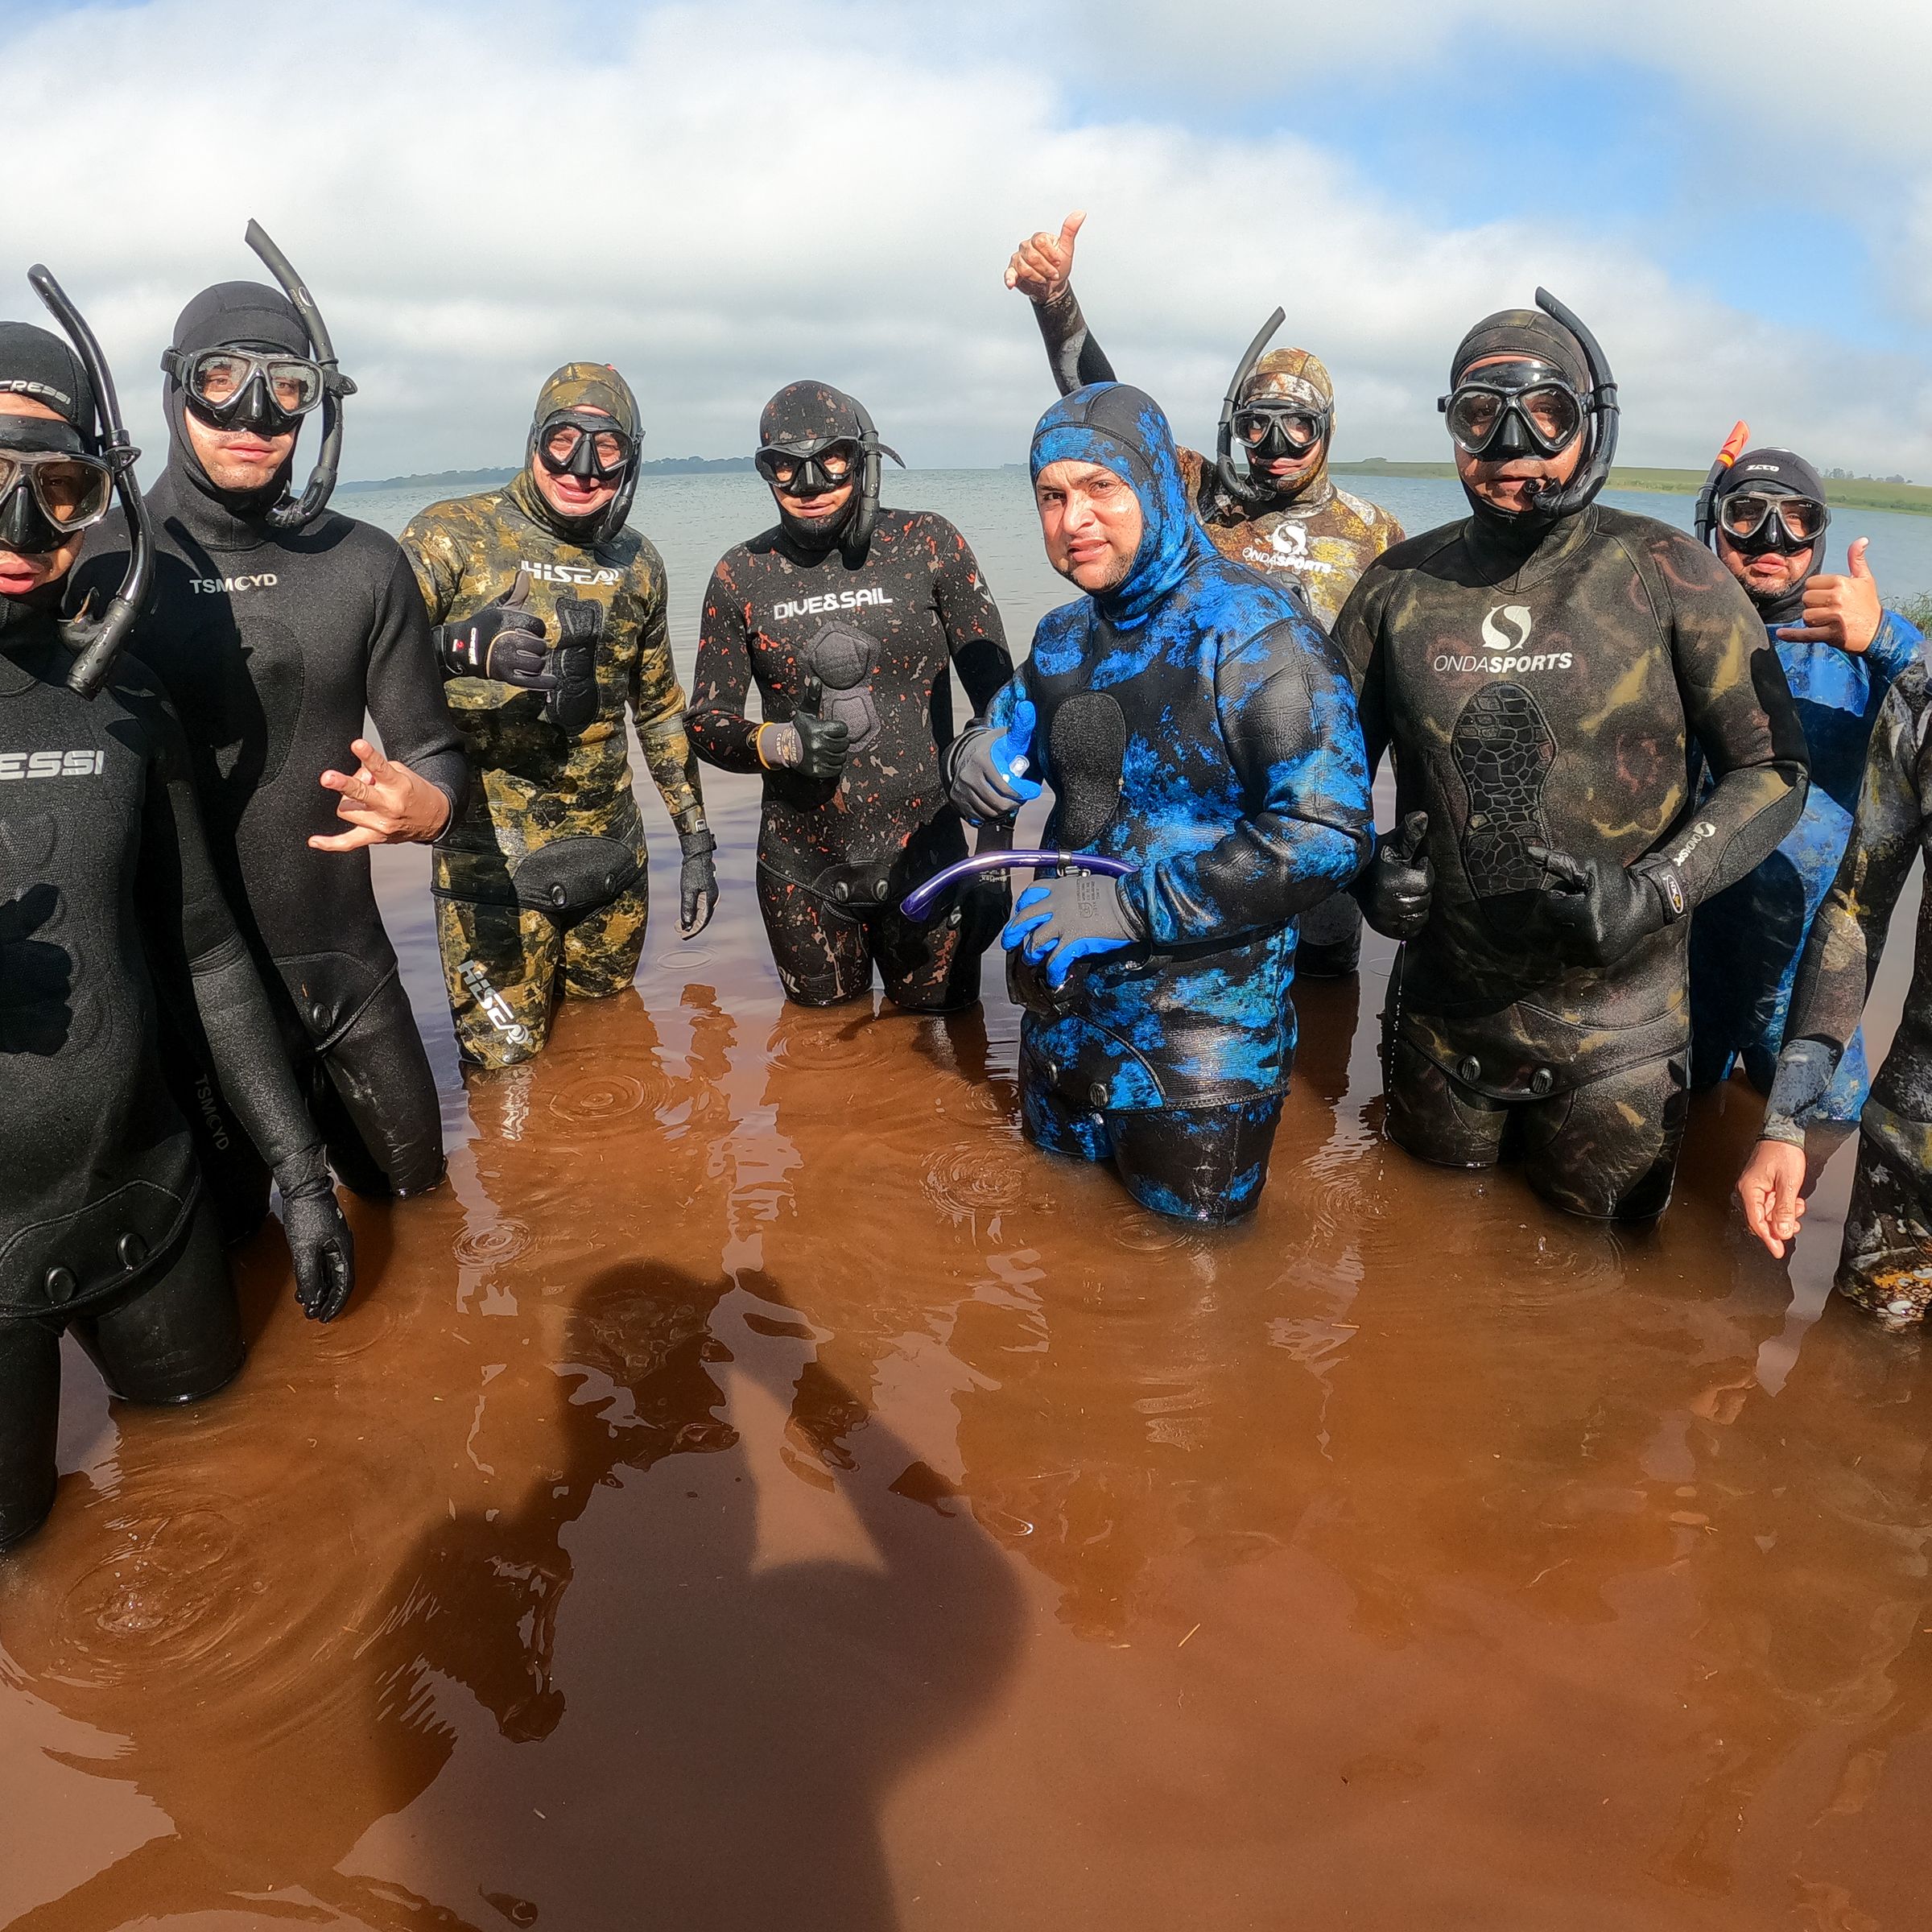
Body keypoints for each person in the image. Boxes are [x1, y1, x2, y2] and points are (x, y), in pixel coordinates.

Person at [0, 281, 353, 1553]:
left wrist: (302, 1177)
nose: (18, 525)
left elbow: (207, 949)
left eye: (56, 489)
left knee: (230, 1501)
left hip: (149, 1211)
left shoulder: (122, 699)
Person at [1335, 292, 1806, 1220]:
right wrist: (1363, 874)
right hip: (1442, 1026)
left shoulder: (1670, 572)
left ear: (1593, 426)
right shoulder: (1395, 587)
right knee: (1422, 1280)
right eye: (1481, 415)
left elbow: (1777, 773)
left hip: (1619, 1040)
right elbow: (1325, 781)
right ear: (1453, 427)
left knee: (1600, 1289)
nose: (1513, 445)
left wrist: (1656, 889)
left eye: (1546, 413)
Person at [74, 225, 462, 1234]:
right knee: (245, 1276)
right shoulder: (103, 570)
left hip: (351, 976)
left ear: (317, 401)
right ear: (173, 390)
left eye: (286, 389)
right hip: (191, 1012)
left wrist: (431, 806)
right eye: (223, 381)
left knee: (432, 1237)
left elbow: (432, 750)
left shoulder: (366, 565)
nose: (255, 416)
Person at [948, 382, 1372, 1223]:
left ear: (1157, 488)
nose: (1074, 519)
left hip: (1201, 1054)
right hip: (1060, 1021)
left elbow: (1327, 832)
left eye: (1101, 487)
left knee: (1191, 1310)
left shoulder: (1254, 632)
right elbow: (1006, 723)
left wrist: (1133, 906)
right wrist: (971, 757)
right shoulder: (1064, 634)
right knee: (1057, 1261)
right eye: (1052, 495)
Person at [1004, 211, 1402, 977]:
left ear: (1329, 429)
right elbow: (1107, 416)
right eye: (1259, 428)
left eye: (1299, 428)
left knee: (1322, 977)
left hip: (1313, 784)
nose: (1277, 450)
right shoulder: (1205, 500)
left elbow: (1400, 678)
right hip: (1207, 791)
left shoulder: (1375, 532)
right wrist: (1057, 304)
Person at [401, 362, 716, 1068]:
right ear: (534, 441)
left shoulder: (638, 561)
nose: (580, 468)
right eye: (562, 439)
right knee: (505, 1083)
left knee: (613, 1057)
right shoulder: (451, 534)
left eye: (606, 449)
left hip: (614, 863)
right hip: (491, 875)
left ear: (631, 456)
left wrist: (696, 843)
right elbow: (366, 658)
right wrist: (452, 647)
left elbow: (661, 710)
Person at [687, 381, 1013, 1011]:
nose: (809, 485)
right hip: (801, 867)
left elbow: (1003, 706)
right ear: (766, 469)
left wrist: (993, 862)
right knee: (819, 1068)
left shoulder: (929, 544)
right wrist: (774, 742)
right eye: (785, 465)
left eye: (831, 460)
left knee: (947, 1056)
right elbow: (705, 722)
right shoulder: (740, 573)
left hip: (928, 856)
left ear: (863, 457)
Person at [1687, 436, 1922, 1129]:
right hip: (1681, 973)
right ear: (1717, 524)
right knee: (1658, 1165)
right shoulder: (1676, 629)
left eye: (1797, 521)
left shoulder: (1862, 653)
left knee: (1811, 1156)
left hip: (1806, 983)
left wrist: (1888, 639)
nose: (1771, 538)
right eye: (1748, 513)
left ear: (1820, 538)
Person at [1737, 648, 1932, 1329]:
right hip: (1906, 1159)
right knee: (1853, 1394)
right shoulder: (1923, 690)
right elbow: (1855, 915)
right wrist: (1786, 1125)